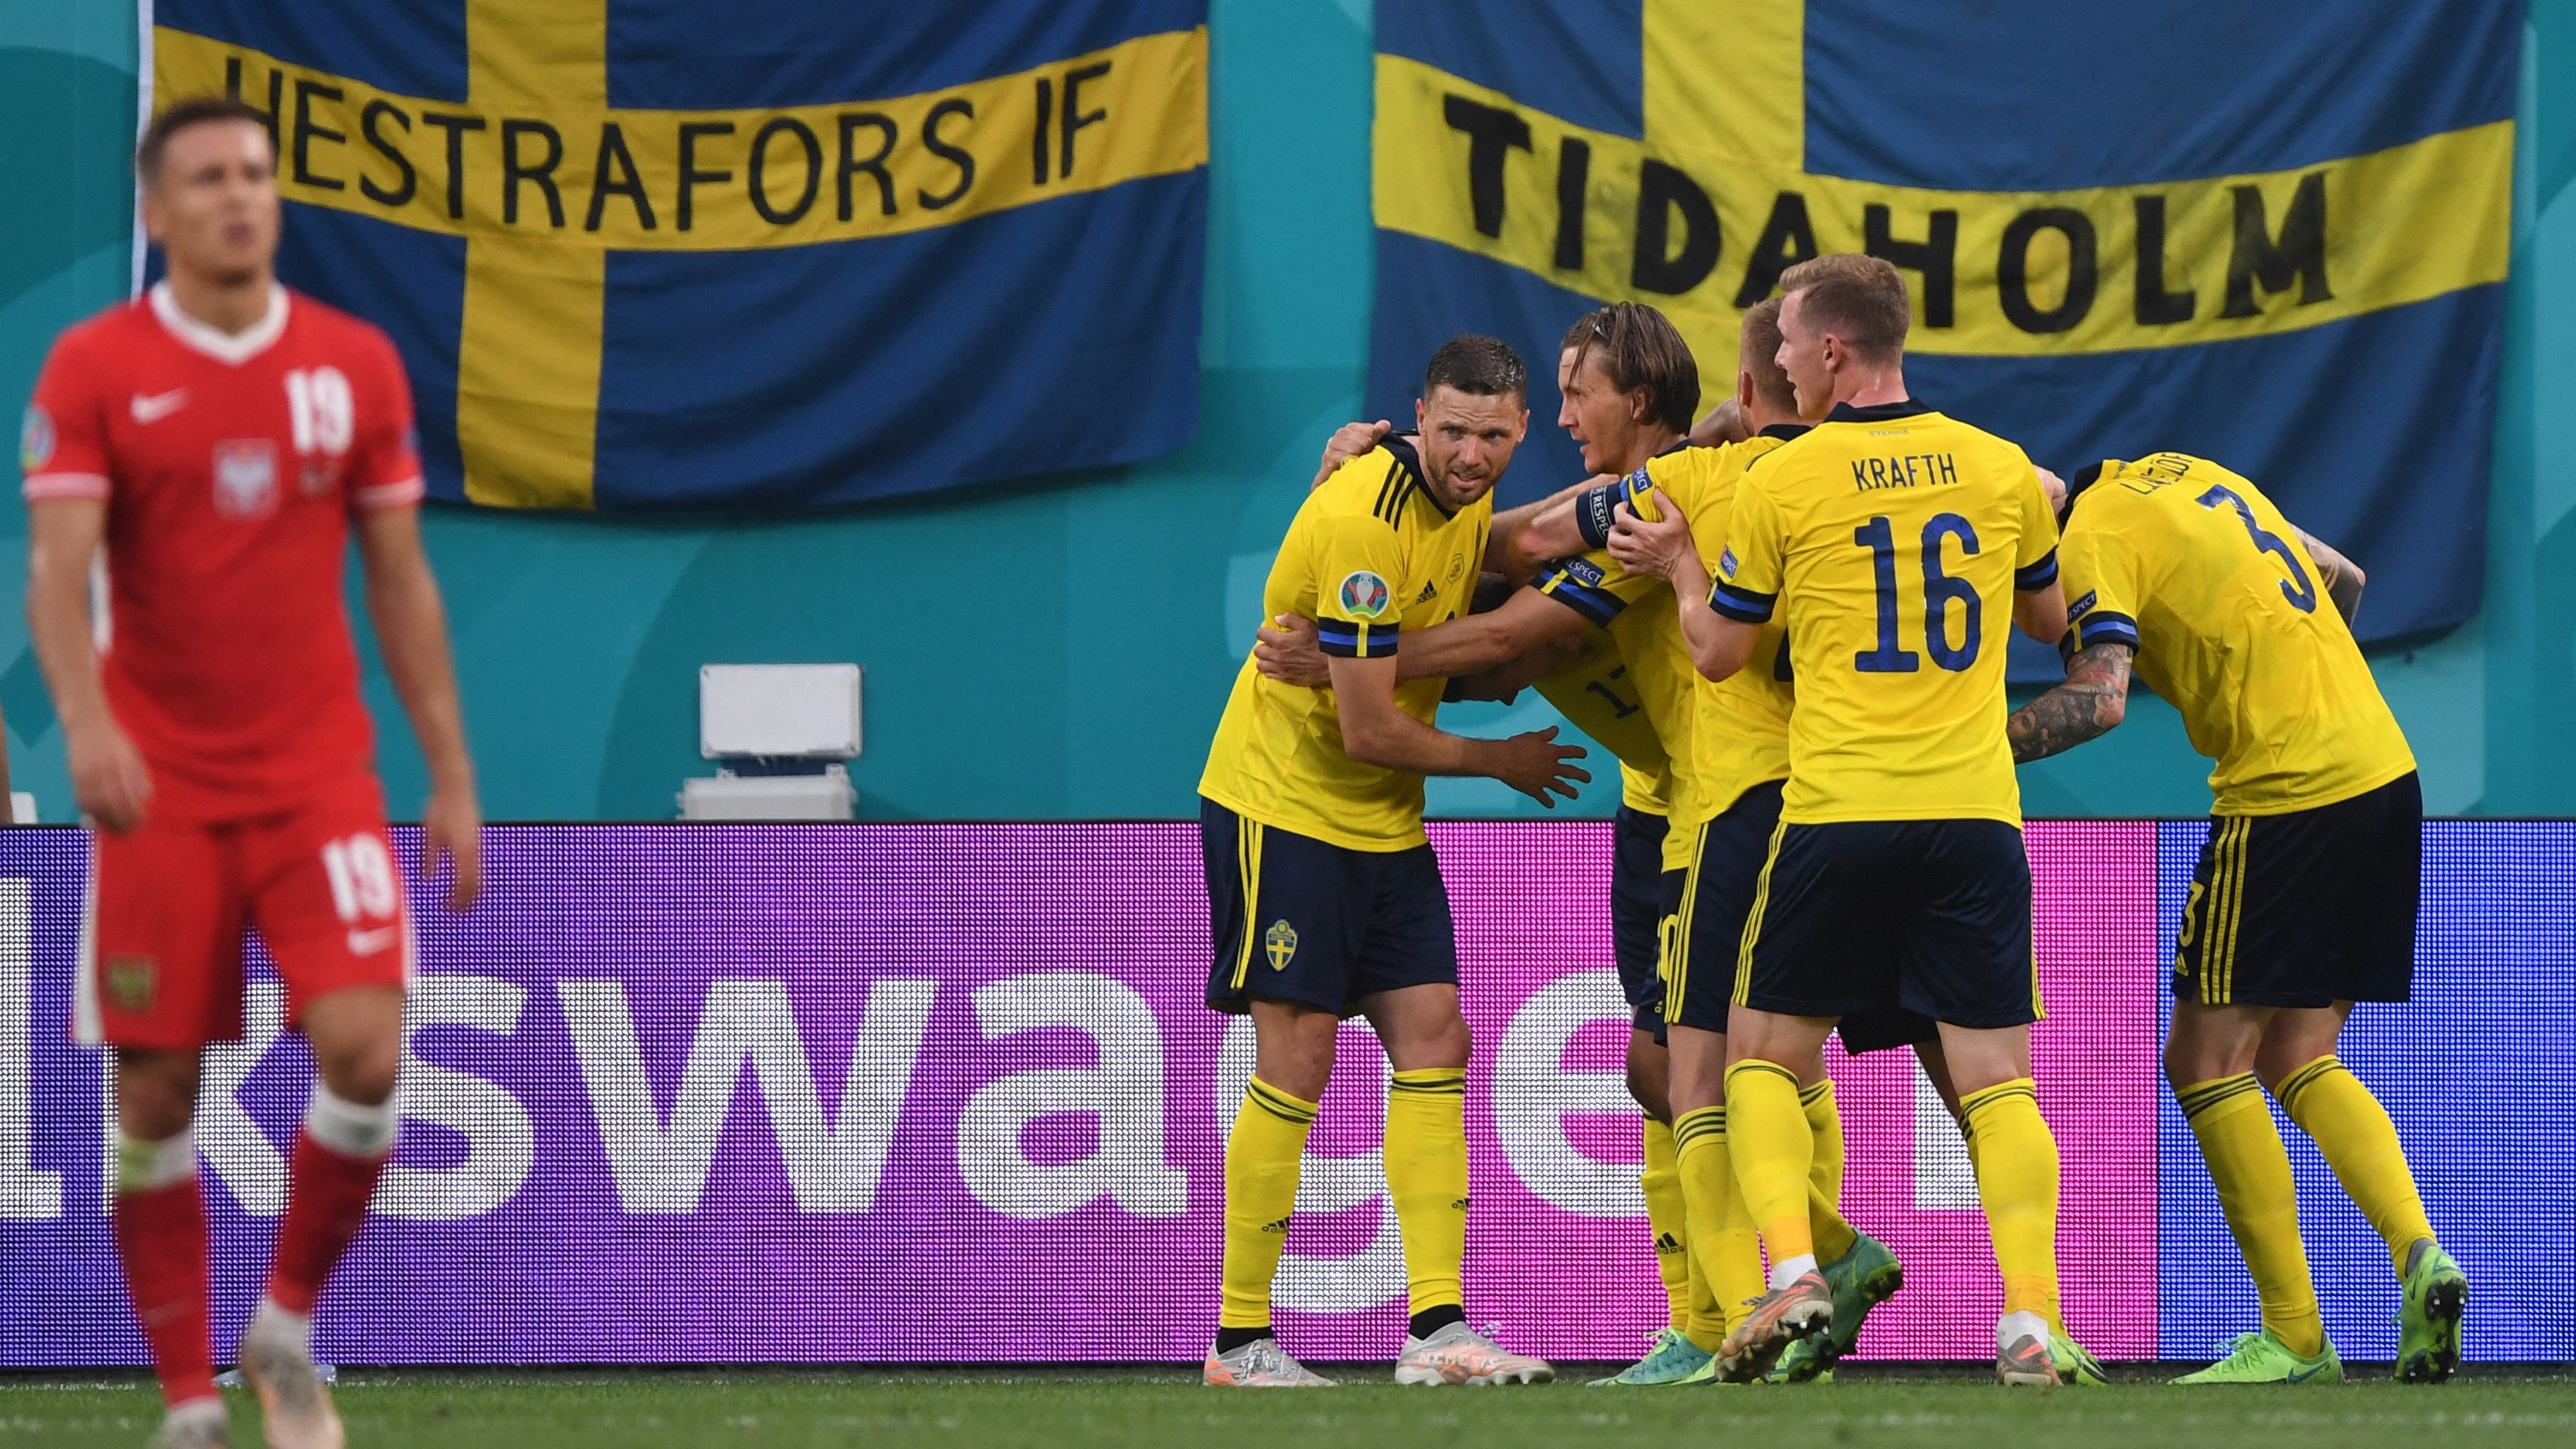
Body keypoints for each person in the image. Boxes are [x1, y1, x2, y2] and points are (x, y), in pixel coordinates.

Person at [20, 96, 481, 1448]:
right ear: (155, 210)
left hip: (314, 780)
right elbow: (59, 573)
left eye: (258, 175)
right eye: (210, 177)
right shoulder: (95, 364)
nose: (239, 196)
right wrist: (88, 721)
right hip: (158, 787)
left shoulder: (353, 365)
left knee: (368, 1047)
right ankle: (183, 1401)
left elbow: (399, 583)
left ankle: (283, 1321)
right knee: (156, 1093)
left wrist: (449, 770)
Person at [1258, 303, 1730, 1383]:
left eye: (1571, 396)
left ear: (1638, 402)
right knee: (1666, 1065)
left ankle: (1789, 1282)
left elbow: (1513, 632)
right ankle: (1701, 1321)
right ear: (1422, 418)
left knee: (1720, 1063)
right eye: (1547, 401)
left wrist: (1348, 657)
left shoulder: (1655, 523)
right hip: (1657, 802)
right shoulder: (1590, 503)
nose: (1560, 418)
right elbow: (1491, 568)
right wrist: (1342, 544)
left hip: (1732, 807)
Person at [1650, 253, 2071, 1386]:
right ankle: (2031, 1318)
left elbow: (1724, 654)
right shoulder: (1997, 470)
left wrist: (1686, 565)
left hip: (1837, 809)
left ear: (1831, 351)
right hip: (1977, 814)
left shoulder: (1785, 482)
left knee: (1760, 1055)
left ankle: (1792, 1274)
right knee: (1998, 1080)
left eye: (1788, 344)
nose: (1777, 364)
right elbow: (2049, 618)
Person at [2007, 451, 2468, 1384]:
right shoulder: (2186, 474)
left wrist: (1960, 749)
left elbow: (2098, 698)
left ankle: (2295, 1332)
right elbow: (2345, 578)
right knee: (2297, 1053)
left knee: (2202, 1059)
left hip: (2288, 790)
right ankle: (2421, 1253)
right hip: (2384, 768)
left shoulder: (2089, 541)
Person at [1197, 335, 1583, 1389]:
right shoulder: (1368, 519)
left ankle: (1438, 1330)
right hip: (1287, 805)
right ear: (1420, 414)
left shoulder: (1463, 502)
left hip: (1381, 823)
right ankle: (1240, 1340)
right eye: (1452, 430)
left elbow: (1507, 558)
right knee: (1302, 1057)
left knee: (1437, 1037)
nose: (1470, 452)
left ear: (1520, 432)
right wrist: (1498, 761)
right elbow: (1369, 728)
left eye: (1493, 434)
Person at [1598, 294, 1940, 1386]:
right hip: (1876, 801)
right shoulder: (1910, 472)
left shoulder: (1713, 483)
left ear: (1751, 389)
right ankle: (2027, 1310)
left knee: (1694, 1071)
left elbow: (1522, 547)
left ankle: (1752, 1305)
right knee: (1927, 1071)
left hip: (1733, 808)